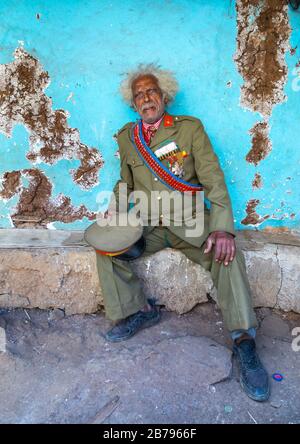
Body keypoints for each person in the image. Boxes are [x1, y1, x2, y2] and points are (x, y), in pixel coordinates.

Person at [85, 64, 270, 402]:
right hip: (150, 224)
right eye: (139, 94)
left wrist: (224, 229)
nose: (146, 98)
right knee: (106, 247)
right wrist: (115, 208)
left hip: (191, 221)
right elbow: (125, 182)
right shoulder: (128, 137)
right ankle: (138, 311)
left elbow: (213, 178)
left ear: (164, 96)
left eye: (151, 91)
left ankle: (244, 341)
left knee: (227, 257)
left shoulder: (189, 129)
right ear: (133, 104)